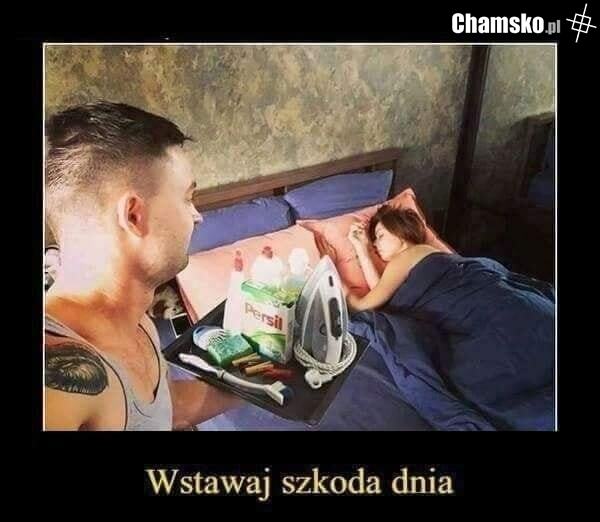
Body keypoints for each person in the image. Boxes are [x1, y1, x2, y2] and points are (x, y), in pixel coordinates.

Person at [44, 101, 241, 431]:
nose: (197, 216)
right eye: (187, 198)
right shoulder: (57, 384)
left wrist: (261, 383)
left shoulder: (138, 322)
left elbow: (165, 410)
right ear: (134, 216)